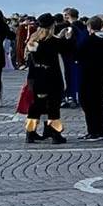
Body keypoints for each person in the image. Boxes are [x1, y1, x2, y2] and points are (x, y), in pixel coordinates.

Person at [21, 14, 71, 145]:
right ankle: (55, 134)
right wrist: (68, 37)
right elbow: (69, 50)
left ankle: (30, 133)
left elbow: (31, 63)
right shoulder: (54, 41)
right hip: (52, 78)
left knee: (36, 106)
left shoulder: (33, 40)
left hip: (36, 78)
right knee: (53, 106)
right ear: (52, 26)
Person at [77, 17, 103, 141]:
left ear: (90, 27)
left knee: (87, 102)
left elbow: (78, 54)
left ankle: (93, 131)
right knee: (98, 103)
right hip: (102, 75)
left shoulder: (89, 40)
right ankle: (101, 131)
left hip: (88, 75)